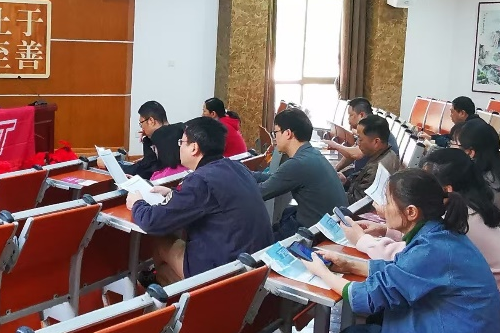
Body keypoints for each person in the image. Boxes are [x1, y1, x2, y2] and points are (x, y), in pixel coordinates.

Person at [301, 169, 500, 333]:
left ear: (411, 212)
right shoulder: (439, 235)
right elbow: (402, 272)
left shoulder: (431, 250)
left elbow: (368, 297)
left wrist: (322, 272)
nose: (384, 208)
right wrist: (350, 265)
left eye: (388, 202)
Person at [339, 149, 500, 333]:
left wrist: (362, 240)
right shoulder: (468, 209)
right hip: (486, 317)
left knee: (380, 321)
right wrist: (386, 229)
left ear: (445, 189)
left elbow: (410, 260)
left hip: (478, 331)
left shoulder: (462, 223)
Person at [128, 116, 273, 284]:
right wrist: (173, 193)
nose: (179, 147)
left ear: (194, 148)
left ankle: (166, 289)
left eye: (182, 142)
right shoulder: (236, 167)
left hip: (226, 269)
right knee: (168, 266)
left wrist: (137, 203)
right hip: (253, 263)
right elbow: (213, 199)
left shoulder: (200, 180)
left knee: (162, 242)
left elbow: (151, 221)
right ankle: (167, 284)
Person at [255, 108, 347, 239]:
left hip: (316, 233)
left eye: (275, 132)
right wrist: (245, 173)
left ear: (288, 133)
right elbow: (277, 178)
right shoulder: (311, 153)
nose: (274, 138)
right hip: (329, 225)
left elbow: (259, 193)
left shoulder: (297, 164)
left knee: (259, 241)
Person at [460, 122, 500, 261]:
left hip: (494, 267)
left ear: (471, 152)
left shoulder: (482, 186)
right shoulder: (498, 173)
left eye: (457, 145)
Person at [100, 100, 168, 179]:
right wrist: (149, 137)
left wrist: (109, 165)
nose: (142, 128)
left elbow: (140, 171)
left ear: (151, 121)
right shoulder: (174, 134)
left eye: (141, 123)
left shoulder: (161, 144)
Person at [343, 115, 403, 201]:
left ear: (376, 142)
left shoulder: (376, 169)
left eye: (360, 139)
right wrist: (346, 181)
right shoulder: (390, 154)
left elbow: (356, 203)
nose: (358, 143)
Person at [326, 97, 391, 172]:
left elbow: (355, 154)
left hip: (368, 173)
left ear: (361, 115)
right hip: (360, 172)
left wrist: (335, 146)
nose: (348, 119)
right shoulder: (365, 130)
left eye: (351, 115)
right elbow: (351, 155)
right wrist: (336, 169)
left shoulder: (375, 129)